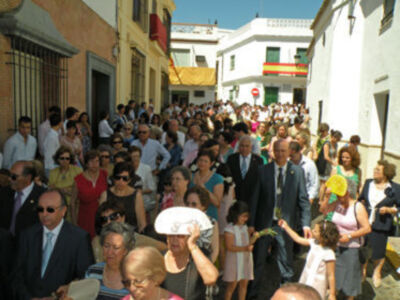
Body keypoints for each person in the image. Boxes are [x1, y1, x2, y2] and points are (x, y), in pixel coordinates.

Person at [248, 139, 311, 299]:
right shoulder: (263, 170)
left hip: (285, 226)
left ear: (289, 151)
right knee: (258, 261)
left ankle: (286, 294)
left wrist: (306, 224)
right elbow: (254, 199)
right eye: (277, 151)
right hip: (264, 224)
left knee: (285, 262)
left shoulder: (297, 172)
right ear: (272, 152)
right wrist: (251, 224)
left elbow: (303, 199)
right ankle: (253, 294)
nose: (280, 154)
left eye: (283, 151)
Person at [11, 189, 94, 299]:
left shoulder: (79, 238)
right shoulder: (27, 235)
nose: (44, 214)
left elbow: (86, 279)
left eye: (50, 209)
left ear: (63, 210)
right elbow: (16, 275)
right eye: (40, 209)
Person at [320, 175, 371, 300]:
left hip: (351, 248)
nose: (339, 197)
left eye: (341, 195)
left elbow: (367, 228)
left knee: (350, 280)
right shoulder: (337, 203)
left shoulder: (357, 207)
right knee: (335, 274)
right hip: (336, 246)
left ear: (348, 193)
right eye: (337, 195)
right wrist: (327, 196)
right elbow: (323, 210)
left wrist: (349, 236)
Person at [358, 160, 400, 287]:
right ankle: (362, 270)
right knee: (362, 247)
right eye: (375, 169)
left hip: (382, 223)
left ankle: (377, 272)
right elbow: (361, 200)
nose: (374, 171)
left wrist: (389, 210)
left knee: (379, 250)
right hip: (364, 221)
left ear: (386, 173)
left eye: (378, 170)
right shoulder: (368, 183)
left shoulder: (395, 188)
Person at [278, 219, 339, 300]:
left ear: (323, 236)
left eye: (316, 231)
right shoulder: (313, 243)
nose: (313, 231)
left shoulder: (329, 254)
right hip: (306, 278)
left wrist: (332, 294)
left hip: (318, 284)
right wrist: (286, 227)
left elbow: (331, 275)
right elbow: (297, 239)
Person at [92, 200, 167, 262]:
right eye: (104, 220)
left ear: (123, 217)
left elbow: (164, 248)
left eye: (113, 217)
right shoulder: (96, 242)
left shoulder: (138, 239)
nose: (109, 222)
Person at [161, 224, 218, 299]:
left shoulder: (198, 255)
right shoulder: (158, 257)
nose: (174, 240)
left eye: (180, 236)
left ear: (189, 237)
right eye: (171, 235)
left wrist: (192, 246)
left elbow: (211, 278)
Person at [85, 222, 135, 300]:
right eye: (106, 246)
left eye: (116, 247)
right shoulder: (93, 272)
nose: (109, 252)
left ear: (126, 250)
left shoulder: (135, 276)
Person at [0, 161, 46, 236]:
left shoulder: (42, 196)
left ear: (28, 177)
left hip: (28, 244)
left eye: (14, 177)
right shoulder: (4, 192)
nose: (9, 179)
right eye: (9, 175)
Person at [99, 162, 146, 232]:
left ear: (129, 180)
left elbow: (142, 223)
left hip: (131, 236)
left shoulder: (136, 196)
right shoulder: (105, 195)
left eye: (125, 178)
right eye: (118, 177)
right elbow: (101, 220)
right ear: (113, 178)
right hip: (110, 235)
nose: (121, 181)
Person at [71, 150, 108, 238]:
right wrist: (74, 223)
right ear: (86, 163)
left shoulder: (104, 174)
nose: (95, 164)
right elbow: (72, 203)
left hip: (102, 217)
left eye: (97, 161)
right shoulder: (78, 180)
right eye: (91, 161)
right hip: (85, 218)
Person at [223, 201, 254, 300]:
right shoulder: (229, 229)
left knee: (244, 285)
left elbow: (248, 242)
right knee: (231, 286)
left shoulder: (245, 227)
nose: (245, 219)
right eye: (243, 216)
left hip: (245, 260)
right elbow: (230, 247)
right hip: (234, 261)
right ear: (236, 215)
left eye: (246, 216)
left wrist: (255, 236)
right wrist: (245, 248)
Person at [184, 185, 219, 263]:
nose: (190, 207)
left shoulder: (212, 222)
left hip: (204, 266)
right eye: (187, 204)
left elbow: (215, 250)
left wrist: (205, 268)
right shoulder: (181, 221)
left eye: (194, 204)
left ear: (203, 206)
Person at [226, 136, 263, 206]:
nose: (244, 148)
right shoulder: (231, 158)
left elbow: (260, 179)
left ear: (251, 147)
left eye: (247, 146)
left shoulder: (258, 160)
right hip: (234, 197)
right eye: (242, 146)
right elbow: (228, 175)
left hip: (251, 198)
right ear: (238, 146)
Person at [48, 146, 82, 222]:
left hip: (74, 208)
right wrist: (69, 189)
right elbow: (50, 190)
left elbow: (81, 191)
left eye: (67, 158)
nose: (65, 161)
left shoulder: (78, 171)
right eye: (62, 158)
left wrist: (59, 188)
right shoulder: (53, 172)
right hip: (57, 207)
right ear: (57, 159)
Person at [192, 150, 224, 220]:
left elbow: (217, 203)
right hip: (192, 215)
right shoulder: (191, 176)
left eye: (205, 161)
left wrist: (204, 189)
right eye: (200, 160)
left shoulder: (217, 178)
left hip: (209, 216)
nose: (202, 163)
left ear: (211, 163)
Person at [289, 141, 319, 207]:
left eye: (292, 156)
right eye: (289, 156)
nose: (290, 158)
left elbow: (314, 184)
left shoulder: (309, 164)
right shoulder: (287, 163)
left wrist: (310, 198)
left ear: (299, 152)